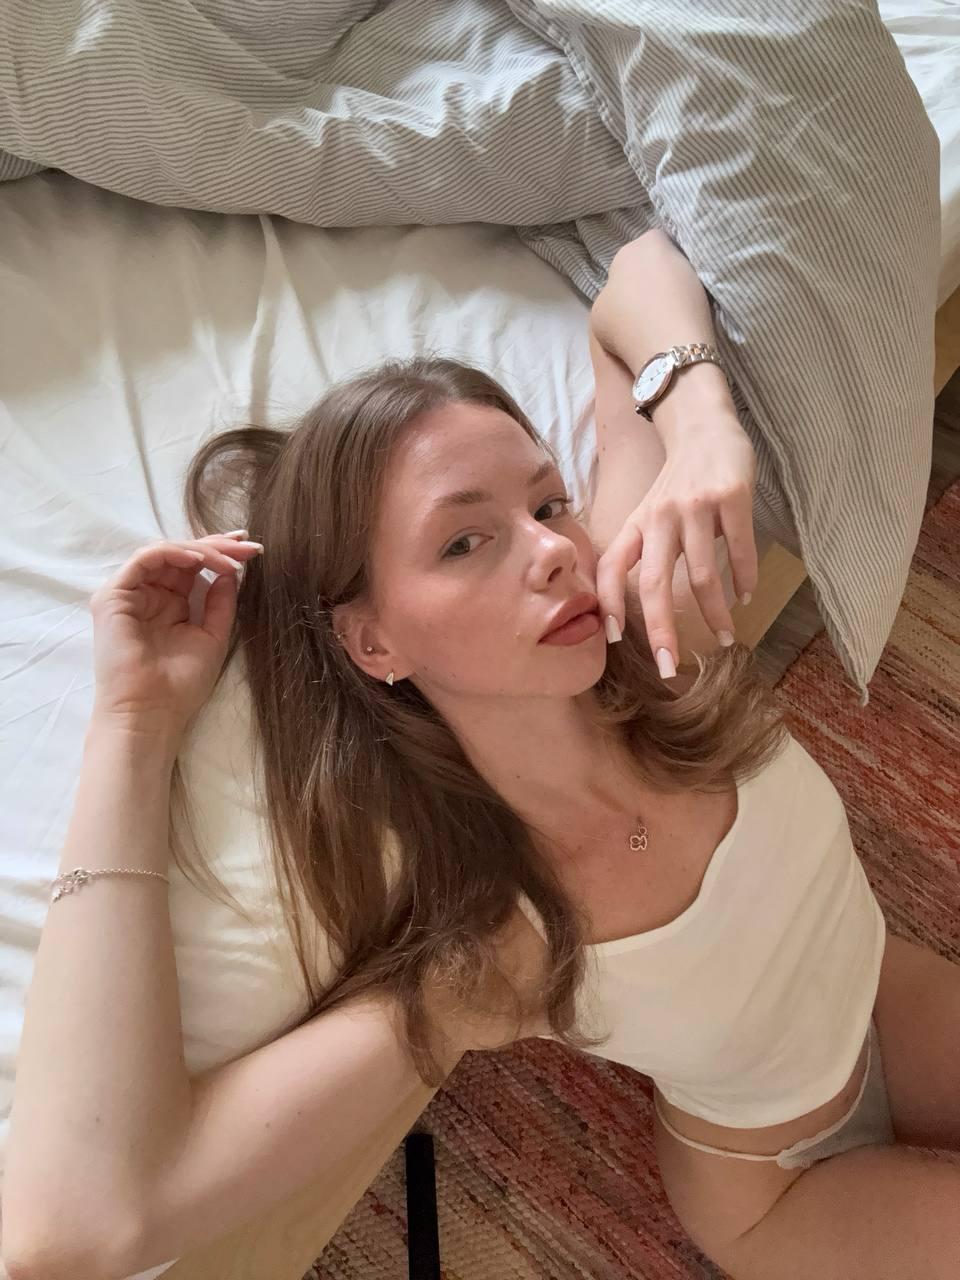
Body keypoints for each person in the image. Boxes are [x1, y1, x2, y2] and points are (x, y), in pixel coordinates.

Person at [4, 230, 960, 1280]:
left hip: (888, 990)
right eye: (466, 541)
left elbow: (640, 274)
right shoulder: (499, 947)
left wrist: (701, 427)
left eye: (546, 503)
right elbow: (72, 1225)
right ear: (374, 641)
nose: (553, 548)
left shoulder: (653, 627)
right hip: (782, 1178)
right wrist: (133, 729)